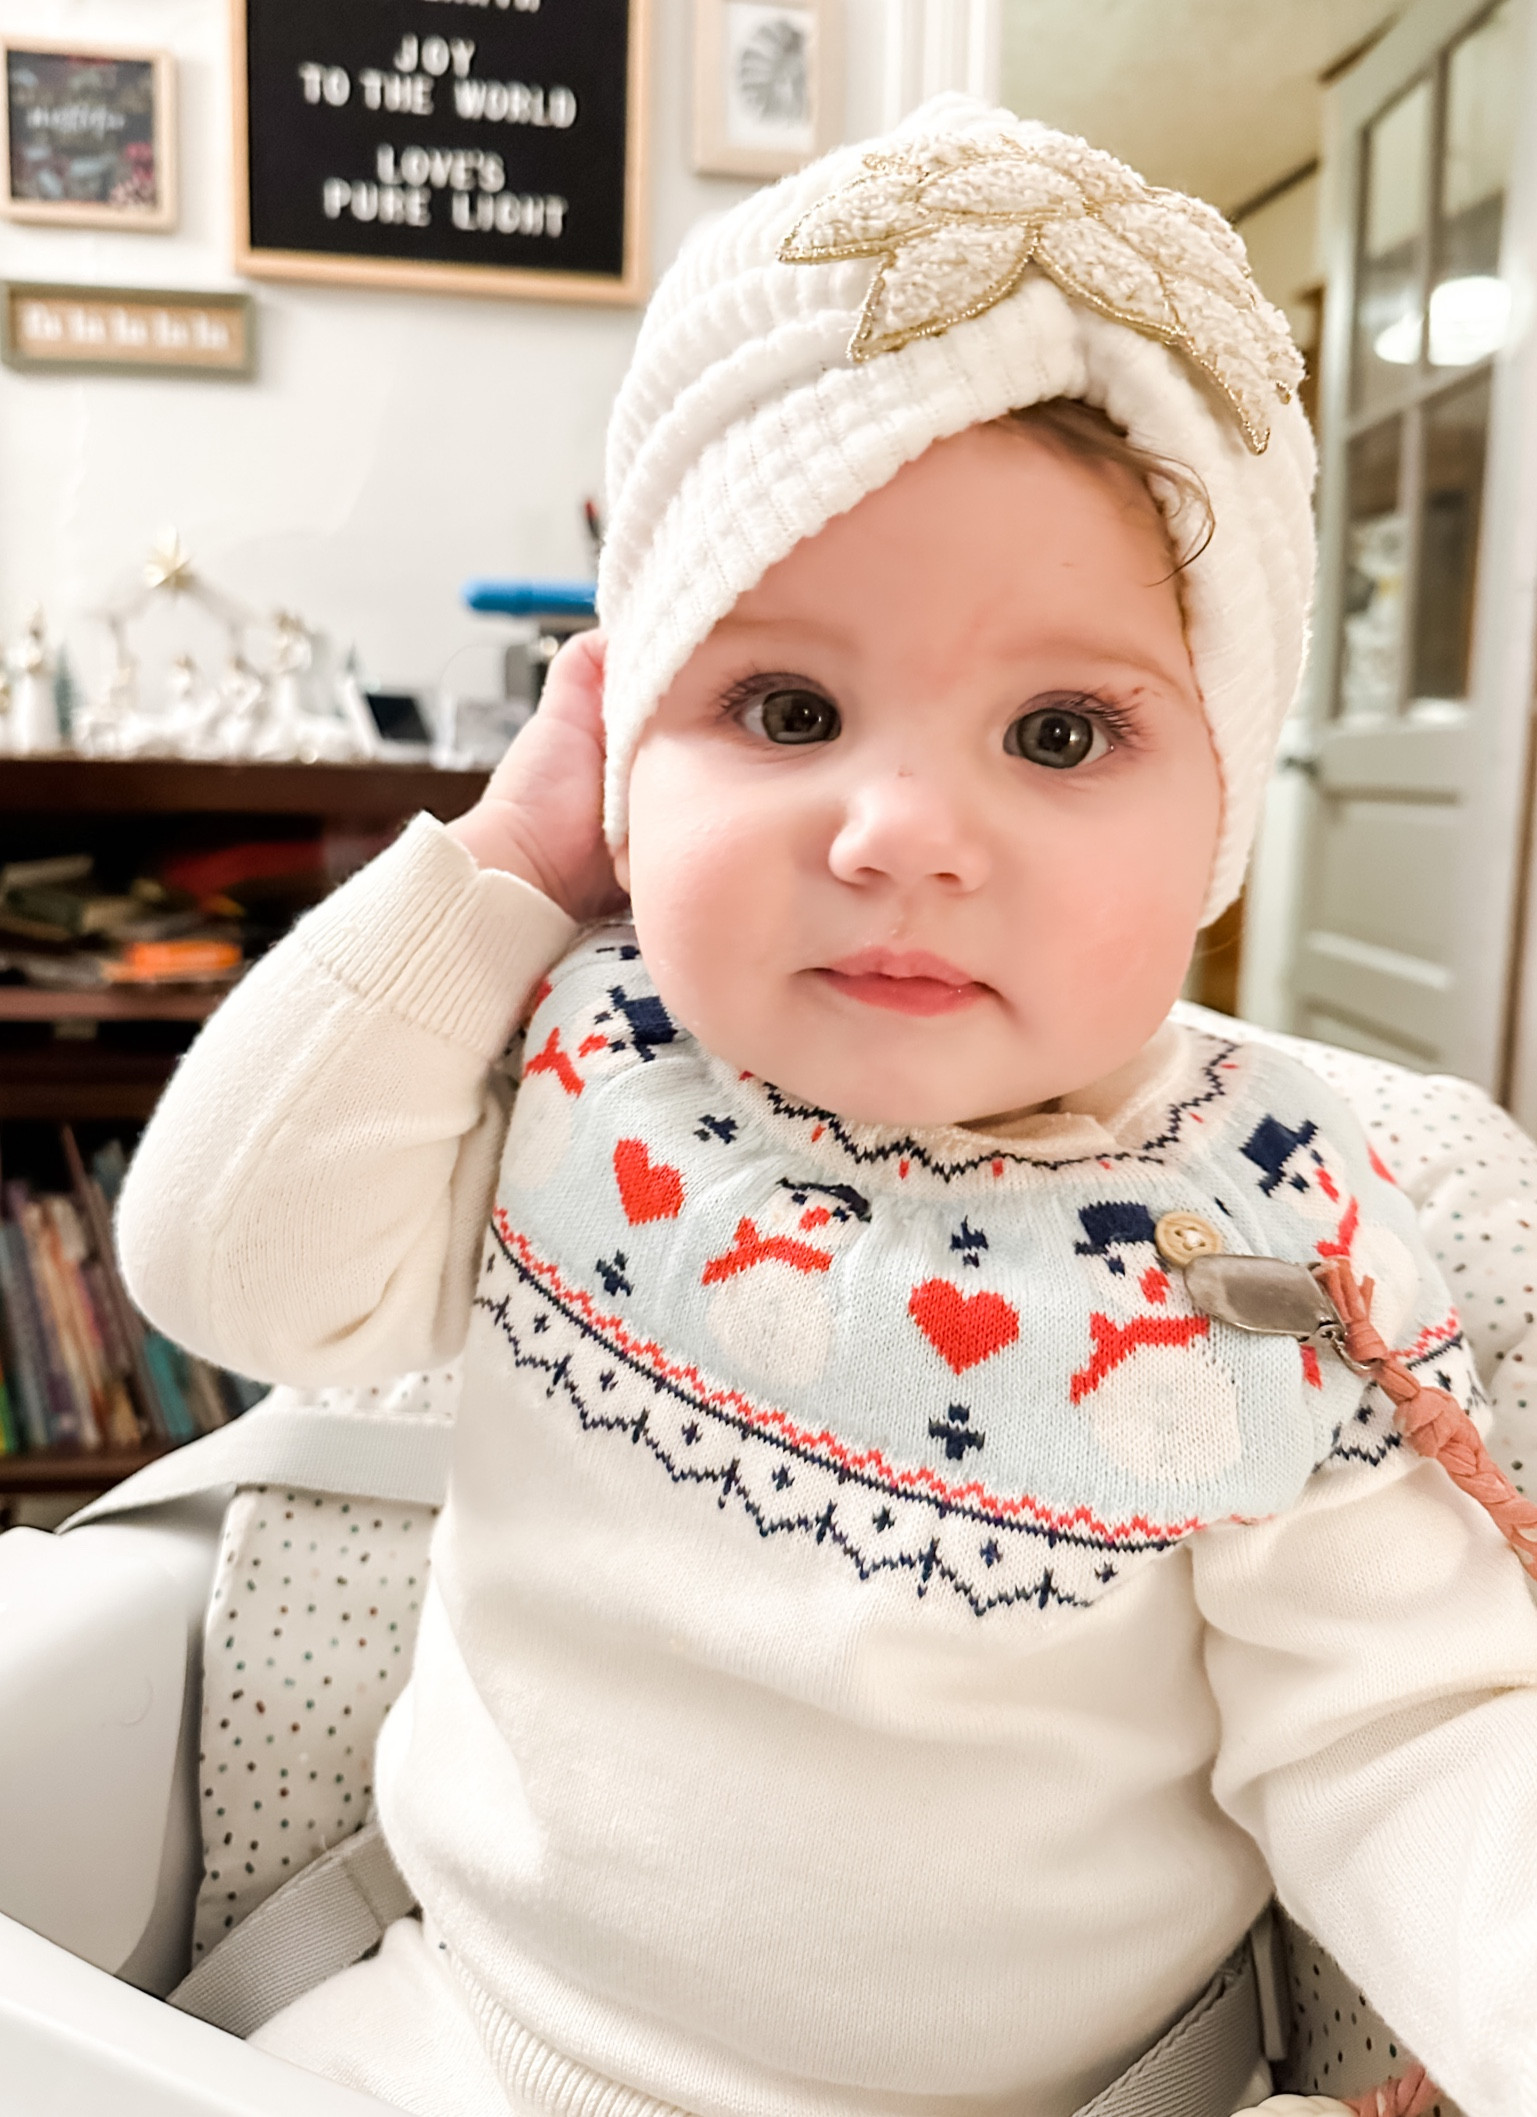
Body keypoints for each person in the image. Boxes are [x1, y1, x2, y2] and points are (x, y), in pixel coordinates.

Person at [118, 96, 1537, 2117]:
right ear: (627, 740)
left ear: (1218, 801)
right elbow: (222, 1271)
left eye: (1060, 733)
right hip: (471, 2035)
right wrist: (512, 864)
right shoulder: (570, 1057)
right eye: (783, 712)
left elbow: (1400, 1741)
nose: (894, 832)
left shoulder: (1265, 1241)